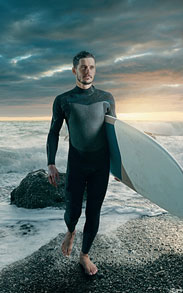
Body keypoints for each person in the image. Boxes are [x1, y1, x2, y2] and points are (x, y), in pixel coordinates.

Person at [46, 51, 116, 275]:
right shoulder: (64, 100)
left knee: (94, 211)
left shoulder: (107, 98)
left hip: (100, 164)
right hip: (77, 162)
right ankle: (71, 230)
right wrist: (51, 163)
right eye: (83, 67)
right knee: (73, 210)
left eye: (92, 67)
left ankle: (84, 255)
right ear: (74, 70)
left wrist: (122, 169)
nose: (88, 71)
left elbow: (114, 134)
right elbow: (53, 133)